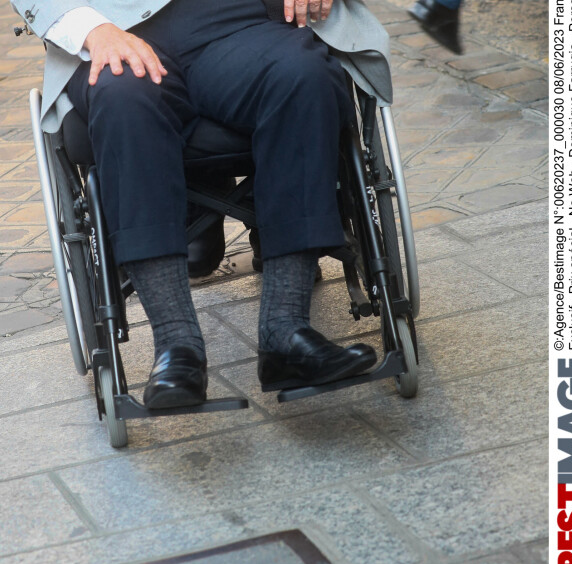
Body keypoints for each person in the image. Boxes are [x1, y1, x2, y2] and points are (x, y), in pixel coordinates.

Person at [12, 0, 381, 408]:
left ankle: (285, 327)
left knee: (303, 77)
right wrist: (91, 31)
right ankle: (176, 344)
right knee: (122, 97)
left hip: (239, 23)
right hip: (117, 27)